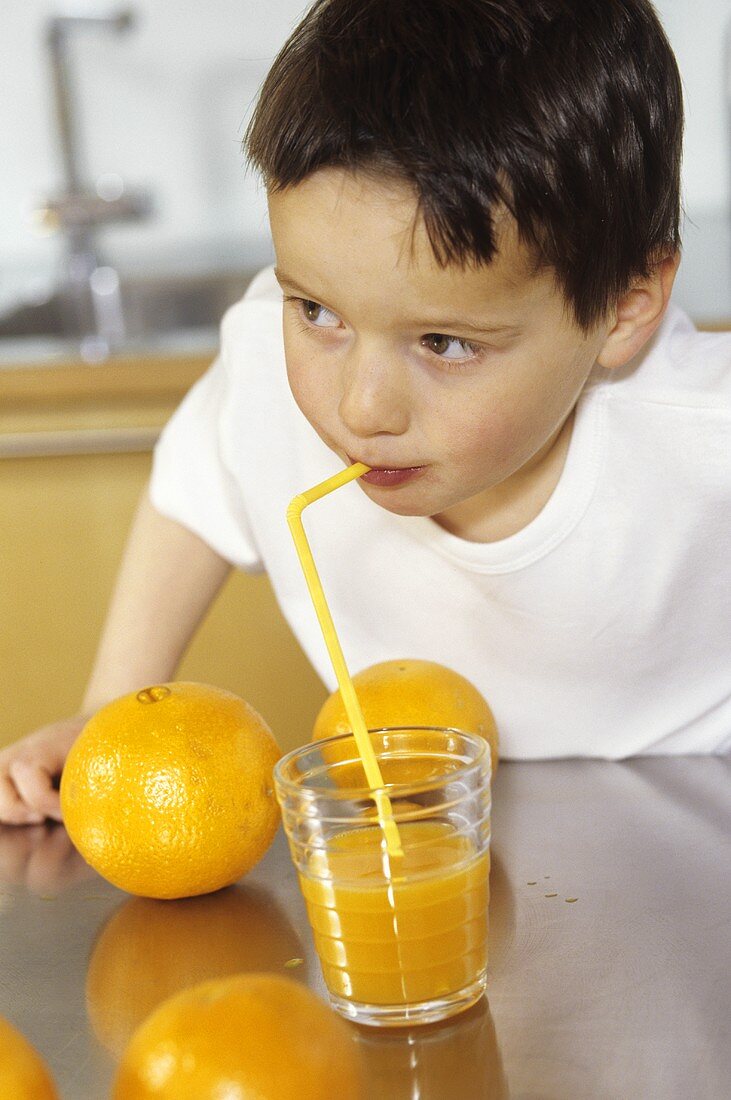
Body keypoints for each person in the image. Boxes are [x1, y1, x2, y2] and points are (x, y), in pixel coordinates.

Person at [2, 0, 729, 826]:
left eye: (445, 344)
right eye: (317, 312)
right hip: (425, 853)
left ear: (623, 309)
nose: (359, 407)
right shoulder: (262, 370)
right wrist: (111, 709)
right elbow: (199, 486)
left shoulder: (702, 436)